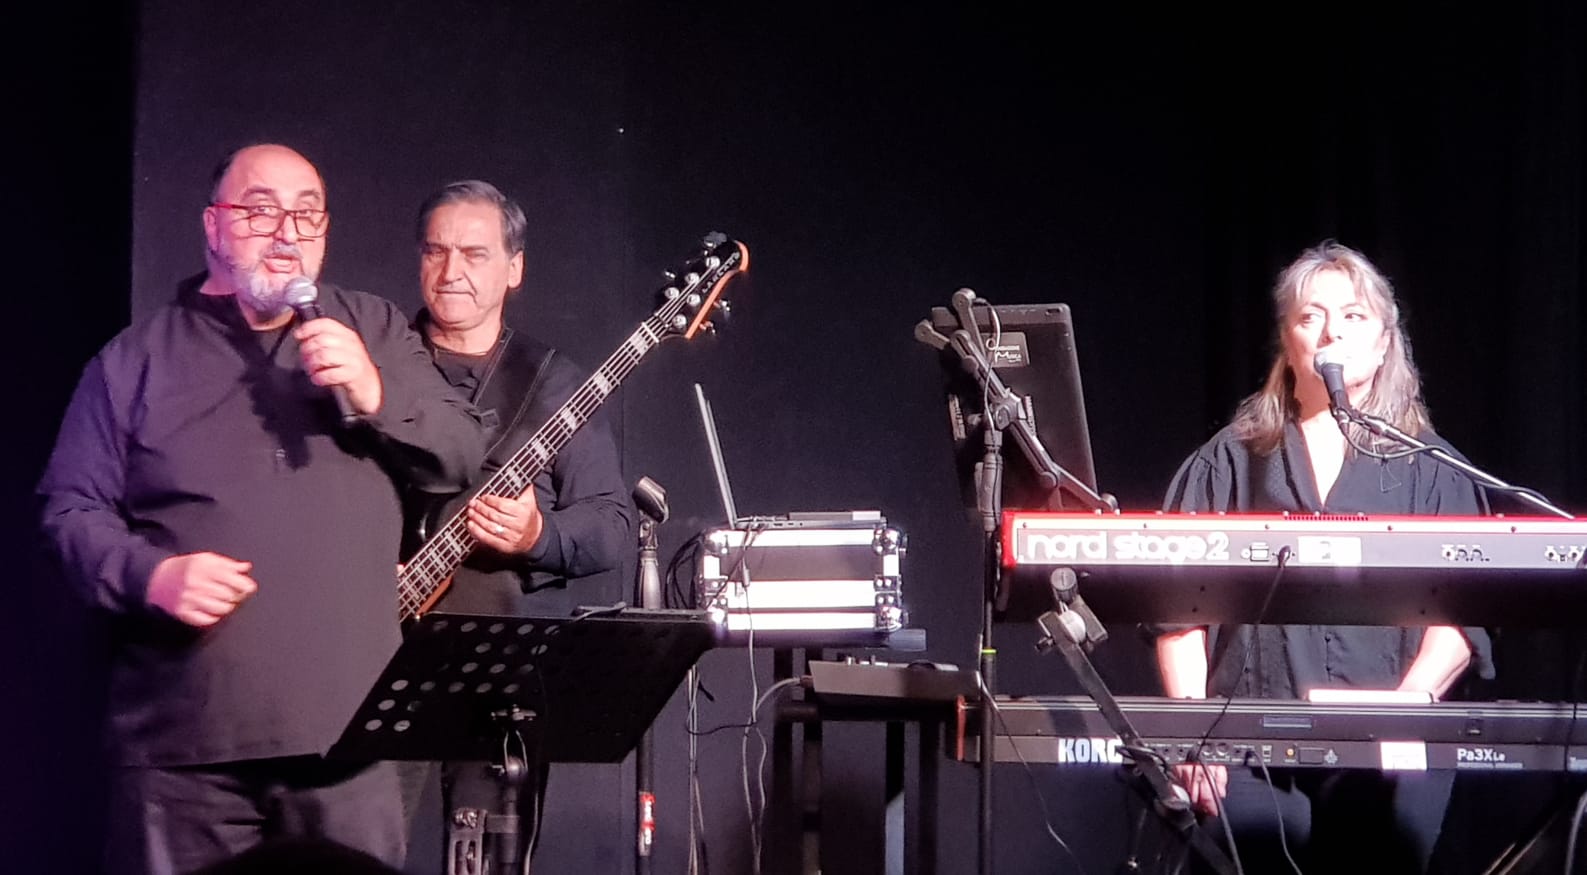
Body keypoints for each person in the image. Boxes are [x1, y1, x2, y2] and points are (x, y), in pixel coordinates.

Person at [36, 143, 487, 875]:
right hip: (184, 752)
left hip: (346, 744)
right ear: (212, 225)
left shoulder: (371, 329)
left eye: (307, 215)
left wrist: (375, 392)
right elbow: (68, 511)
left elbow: (461, 452)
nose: (286, 233)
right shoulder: (135, 360)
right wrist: (150, 576)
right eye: (260, 210)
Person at [1153, 241, 1494, 873]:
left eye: (1354, 316)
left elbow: (1461, 617)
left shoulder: (1434, 468)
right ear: (1288, 345)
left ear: (1385, 343)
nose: (1332, 331)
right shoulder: (1227, 461)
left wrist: (1408, 707)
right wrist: (1193, 731)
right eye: (1311, 316)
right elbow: (1178, 613)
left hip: (1391, 747)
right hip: (1245, 749)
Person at [404, 179, 633, 865]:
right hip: (371, 654)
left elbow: (611, 525)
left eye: (474, 253)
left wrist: (539, 537)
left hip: (496, 670)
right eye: (436, 251)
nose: (451, 271)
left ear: (514, 267)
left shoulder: (555, 381)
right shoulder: (382, 362)